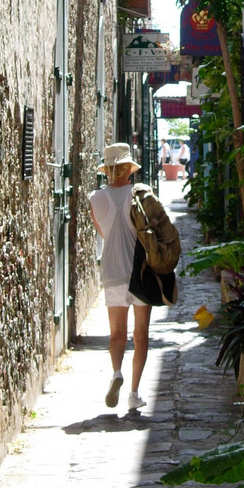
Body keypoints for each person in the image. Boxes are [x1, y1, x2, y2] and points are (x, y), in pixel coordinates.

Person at [88, 142, 151, 411]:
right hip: (140, 272)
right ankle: (134, 393)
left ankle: (116, 373)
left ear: (107, 170)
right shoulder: (140, 194)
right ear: (128, 169)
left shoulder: (95, 198)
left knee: (116, 334)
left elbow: (103, 231)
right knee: (141, 334)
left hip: (111, 271)